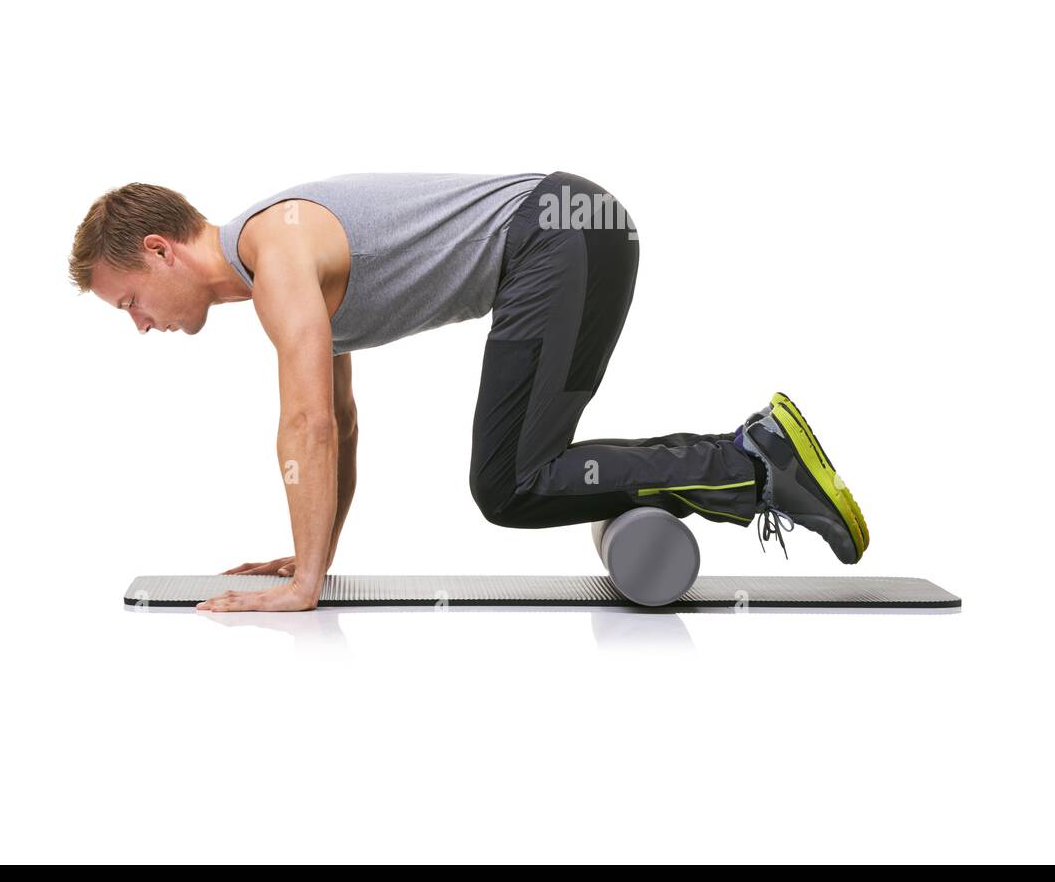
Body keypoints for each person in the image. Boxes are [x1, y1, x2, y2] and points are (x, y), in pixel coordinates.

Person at [69, 170, 869, 612]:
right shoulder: (279, 273)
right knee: (527, 473)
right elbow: (340, 428)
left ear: (159, 250)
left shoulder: (270, 249)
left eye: (128, 301)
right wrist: (311, 558)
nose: (139, 324)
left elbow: (305, 422)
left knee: (507, 484)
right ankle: (750, 470)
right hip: (587, 223)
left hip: (555, 231)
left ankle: (749, 458)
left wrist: (307, 588)